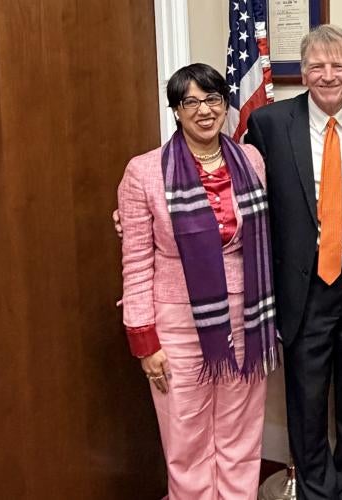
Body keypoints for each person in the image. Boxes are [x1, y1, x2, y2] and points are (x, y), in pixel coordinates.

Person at [245, 25, 342, 500]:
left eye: (338, 65)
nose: (328, 75)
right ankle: (315, 491)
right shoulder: (270, 123)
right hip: (304, 285)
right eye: (317, 66)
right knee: (306, 402)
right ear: (302, 72)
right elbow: (233, 183)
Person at [117, 63, 278, 499]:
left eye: (213, 99)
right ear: (175, 111)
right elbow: (134, 261)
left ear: (225, 105)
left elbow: (265, 236)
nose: (204, 110)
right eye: (191, 101)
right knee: (184, 432)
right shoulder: (144, 172)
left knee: (240, 429)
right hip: (177, 321)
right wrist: (145, 341)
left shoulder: (251, 160)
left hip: (247, 315)